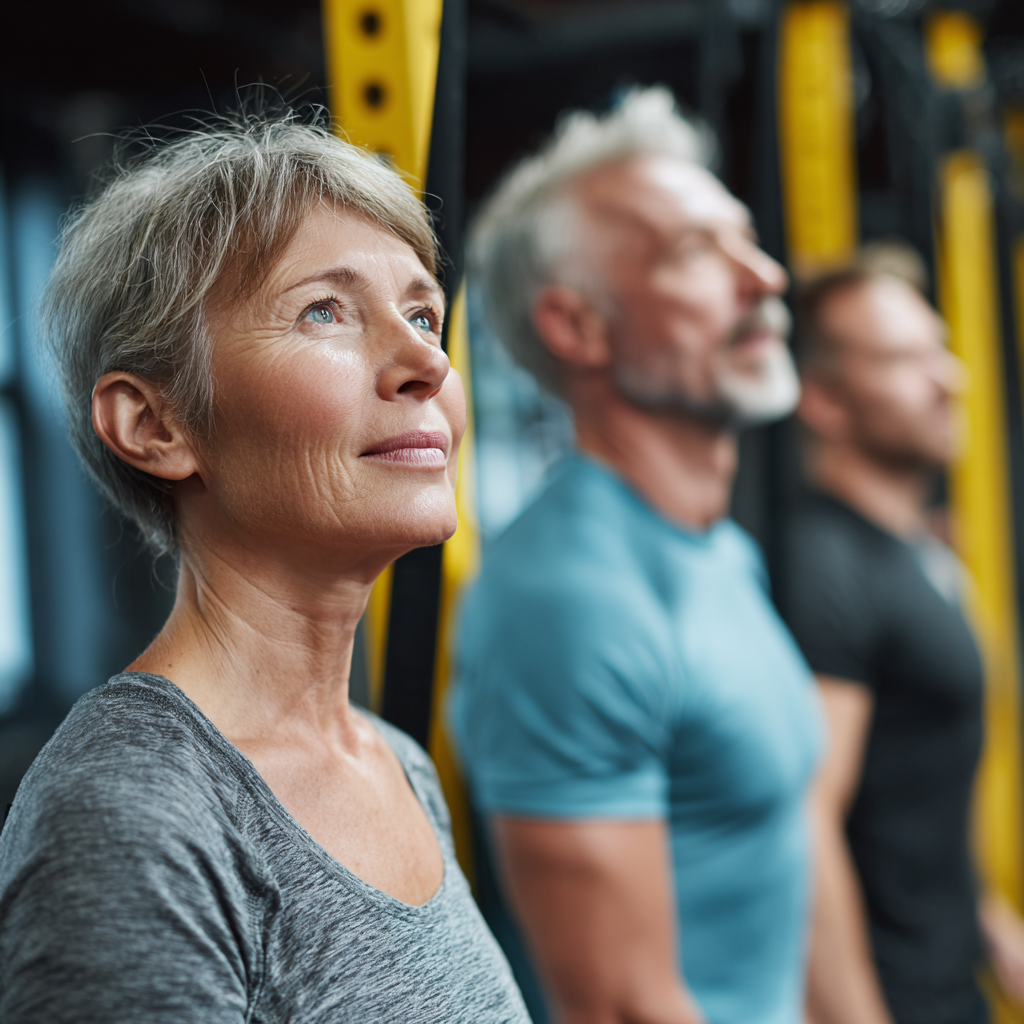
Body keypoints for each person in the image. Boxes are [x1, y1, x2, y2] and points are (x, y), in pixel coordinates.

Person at [0, 112, 530, 1024]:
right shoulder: (134, 815)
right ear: (155, 426)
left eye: (422, 314)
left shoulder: (394, 763)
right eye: (324, 311)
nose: (426, 364)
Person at [448, 88, 822, 1024]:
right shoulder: (567, 601)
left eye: (746, 240)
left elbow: (798, 850)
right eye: (698, 252)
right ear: (579, 327)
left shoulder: (719, 552)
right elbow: (621, 1009)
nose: (766, 278)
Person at [783, 245, 1024, 1024]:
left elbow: (916, 787)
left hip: (955, 984)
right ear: (823, 399)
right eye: (904, 358)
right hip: (897, 1000)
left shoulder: (912, 554)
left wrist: (992, 927)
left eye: (940, 350)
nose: (948, 378)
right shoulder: (827, 569)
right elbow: (807, 823)